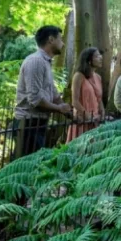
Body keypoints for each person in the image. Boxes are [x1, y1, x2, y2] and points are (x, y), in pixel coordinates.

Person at [14, 25, 73, 156]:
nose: (63, 43)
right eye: (60, 39)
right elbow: (35, 99)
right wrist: (59, 109)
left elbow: (53, 93)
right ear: (51, 39)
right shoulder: (36, 61)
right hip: (28, 123)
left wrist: (65, 108)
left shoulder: (45, 62)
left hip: (38, 122)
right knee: (26, 166)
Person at [66, 47, 105, 143]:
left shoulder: (98, 77)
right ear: (88, 60)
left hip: (95, 120)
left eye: (100, 55)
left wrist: (102, 113)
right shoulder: (78, 76)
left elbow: (99, 99)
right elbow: (75, 101)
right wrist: (88, 117)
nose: (101, 58)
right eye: (97, 56)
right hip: (83, 120)